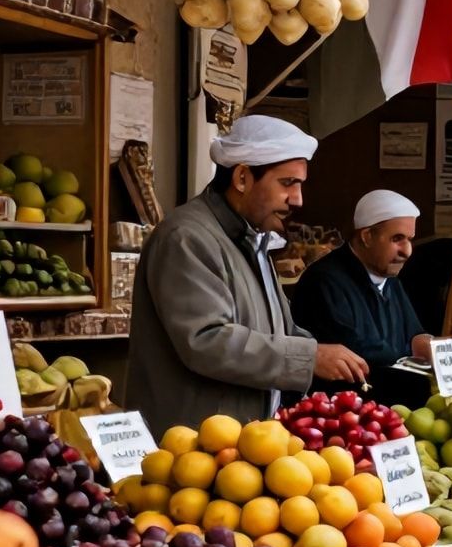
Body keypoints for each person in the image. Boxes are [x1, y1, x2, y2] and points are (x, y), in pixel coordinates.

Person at [128, 116, 368, 434]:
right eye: (287, 183)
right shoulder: (186, 238)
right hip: (190, 449)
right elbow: (206, 341)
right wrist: (308, 357)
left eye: (299, 184)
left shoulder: (251, 239)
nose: (298, 199)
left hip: (243, 445)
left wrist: (322, 355)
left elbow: (279, 329)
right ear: (242, 178)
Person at [289, 191, 434, 407]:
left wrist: (434, 348)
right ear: (366, 236)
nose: (407, 251)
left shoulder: (390, 278)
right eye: (397, 239)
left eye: (409, 240)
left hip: (395, 409)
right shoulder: (323, 281)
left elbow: (414, 336)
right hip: (343, 416)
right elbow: (364, 356)